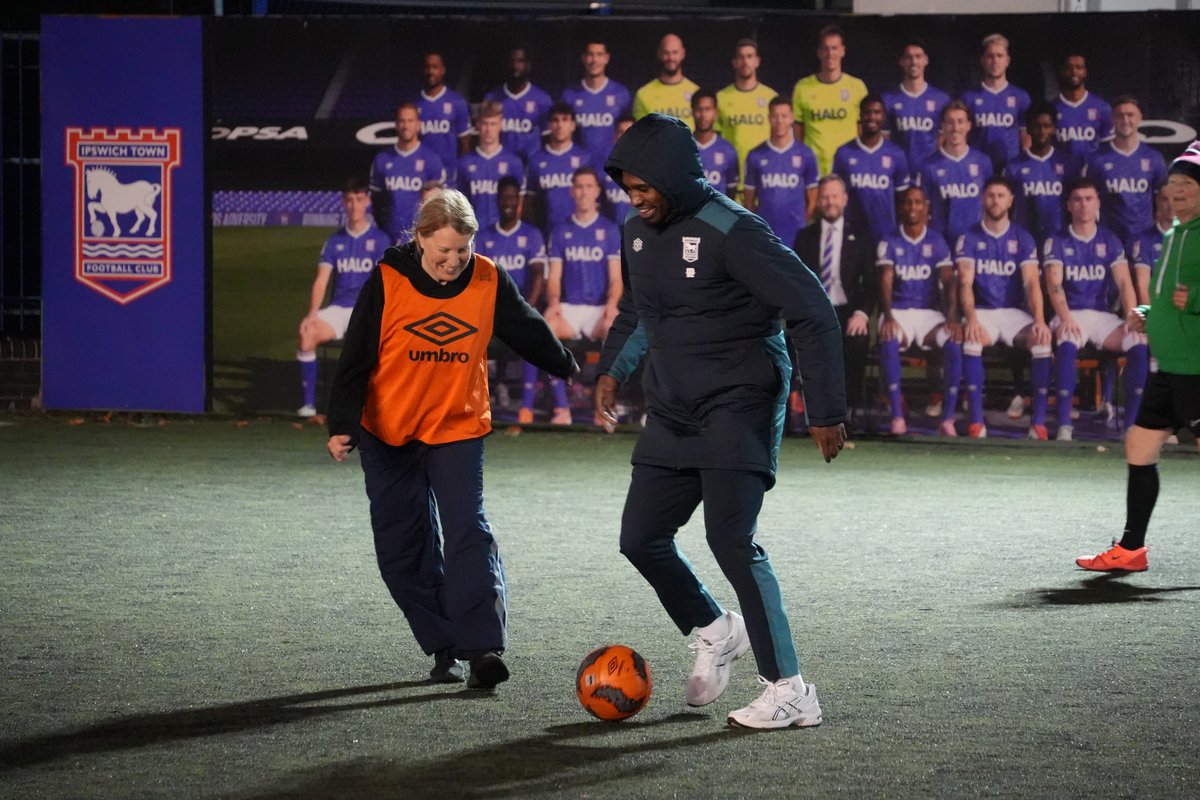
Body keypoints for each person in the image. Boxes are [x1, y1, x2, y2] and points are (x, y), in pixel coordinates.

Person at [595, 113, 846, 730]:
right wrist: (610, 370)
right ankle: (715, 627)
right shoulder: (635, 229)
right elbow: (638, 311)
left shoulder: (734, 229)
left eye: (645, 186)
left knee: (730, 539)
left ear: (676, 177)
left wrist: (826, 407)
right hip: (673, 406)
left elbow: (811, 307)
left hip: (741, 400)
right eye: (628, 187)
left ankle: (791, 690)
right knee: (640, 539)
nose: (636, 197)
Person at [325, 188, 578, 688]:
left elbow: (525, 327)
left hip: (456, 426)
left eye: (462, 250)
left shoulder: (486, 278)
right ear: (420, 239)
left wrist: (565, 365)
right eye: (443, 250)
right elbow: (356, 355)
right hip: (389, 432)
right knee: (403, 547)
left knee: (468, 530)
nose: (453, 261)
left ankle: (483, 647)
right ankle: (444, 645)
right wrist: (341, 425)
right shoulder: (388, 280)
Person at [1075, 142, 1200, 572]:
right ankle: (1131, 550)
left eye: (1187, 185)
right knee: (1139, 445)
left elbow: (1192, 298)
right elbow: (1169, 299)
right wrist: (1150, 313)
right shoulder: (1172, 235)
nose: (1176, 193)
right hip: (1171, 369)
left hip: (1198, 369)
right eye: (1173, 185)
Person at [1042, 177, 1148, 440]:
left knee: (1138, 341)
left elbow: (1125, 283)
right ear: (1069, 205)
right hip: (1070, 313)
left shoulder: (1110, 240)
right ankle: (1065, 424)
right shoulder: (1057, 240)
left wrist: (1133, 316)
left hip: (1102, 316)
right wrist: (1065, 318)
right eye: (1077, 200)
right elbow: (1054, 284)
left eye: (1089, 199)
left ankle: (1132, 427)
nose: (1083, 205)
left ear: (1098, 202)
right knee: (1066, 339)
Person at [956, 176, 1050, 439]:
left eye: (1001, 195)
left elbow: (1032, 283)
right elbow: (965, 282)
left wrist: (1040, 320)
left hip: (1013, 314)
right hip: (983, 312)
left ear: (1010, 201)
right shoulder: (969, 237)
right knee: (971, 340)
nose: (995, 200)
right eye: (991, 195)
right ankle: (976, 423)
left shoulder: (1023, 238)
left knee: (1042, 340)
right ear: (982, 199)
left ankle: (1039, 424)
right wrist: (971, 318)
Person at [296, 177, 393, 419]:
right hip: (339, 310)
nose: (354, 205)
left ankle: (378, 406)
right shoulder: (335, 241)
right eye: (349, 200)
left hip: (367, 311)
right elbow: (321, 280)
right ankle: (308, 407)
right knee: (307, 333)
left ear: (367, 202)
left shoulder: (381, 240)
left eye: (359, 200)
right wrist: (311, 314)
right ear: (343, 203)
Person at [876, 185, 962, 436]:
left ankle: (948, 419)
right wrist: (888, 316)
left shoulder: (937, 241)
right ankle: (897, 417)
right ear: (901, 208)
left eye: (918, 202)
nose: (912, 207)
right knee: (889, 336)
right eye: (908, 202)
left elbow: (949, 281)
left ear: (926, 208)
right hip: (899, 312)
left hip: (928, 314)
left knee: (953, 339)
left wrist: (953, 318)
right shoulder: (889, 240)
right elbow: (885, 280)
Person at [540, 167, 622, 424]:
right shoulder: (561, 230)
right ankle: (562, 409)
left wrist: (611, 304)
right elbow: (553, 277)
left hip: (598, 309)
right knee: (545, 326)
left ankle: (603, 408)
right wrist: (553, 303)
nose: (584, 192)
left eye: (589, 186)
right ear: (571, 191)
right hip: (570, 308)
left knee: (614, 326)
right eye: (579, 186)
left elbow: (616, 278)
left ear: (597, 191)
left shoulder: (608, 230)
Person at [793, 175, 874, 418]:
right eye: (825, 197)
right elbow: (796, 281)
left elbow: (870, 283)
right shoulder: (804, 237)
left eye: (834, 196)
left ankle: (846, 411)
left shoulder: (861, 237)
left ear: (844, 199)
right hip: (815, 312)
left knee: (857, 340)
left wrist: (861, 314)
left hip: (847, 312)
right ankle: (806, 411)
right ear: (818, 201)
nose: (830, 202)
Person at [476, 176, 548, 415]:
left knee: (533, 333)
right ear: (497, 200)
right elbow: (478, 279)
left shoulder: (532, 234)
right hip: (492, 310)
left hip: (521, 308)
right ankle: (473, 402)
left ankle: (526, 407)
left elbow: (539, 275)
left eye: (512, 197)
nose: (508, 202)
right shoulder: (485, 237)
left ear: (519, 201)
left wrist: (527, 307)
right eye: (504, 197)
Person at [1082, 96, 1168, 254]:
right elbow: (1086, 200)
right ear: (1113, 119)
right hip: (1109, 240)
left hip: (1144, 240)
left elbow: (1162, 200)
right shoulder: (1097, 159)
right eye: (1120, 115)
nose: (1125, 120)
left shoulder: (1153, 158)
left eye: (1130, 115)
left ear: (1140, 118)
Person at [791, 24, 869, 176]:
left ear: (842, 51)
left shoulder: (857, 87)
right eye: (825, 48)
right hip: (814, 169)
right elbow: (798, 133)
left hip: (848, 168)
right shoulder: (803, 87)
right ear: (819, 52)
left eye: (834, 48)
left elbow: (862, 131)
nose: (830, 53)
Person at [832, 94, 911, 244]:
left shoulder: (896, 154)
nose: (871, 117)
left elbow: (902, 200)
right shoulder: (844, 153)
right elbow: (837, 195)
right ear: (860, 116)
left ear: (884, 117)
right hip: (852, 234)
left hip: (885, 234)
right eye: (867, 112)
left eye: (877, 112)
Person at [744, 95, 820, 249]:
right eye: (775, 116)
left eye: (784, 116)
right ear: (769, 118)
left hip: (797, 234)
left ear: (792, 118)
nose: (779, 121)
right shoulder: (755, 155)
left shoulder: (806, 154)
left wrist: (803, 225)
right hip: (766, 234)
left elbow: (812, 199)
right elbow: (749, 201)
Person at [915, 100, 993, 243]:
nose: (955, 127)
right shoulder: (929, 165)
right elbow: (924, 210)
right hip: (942, 243)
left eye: (960, 121)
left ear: (969, 125)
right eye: (950, 122)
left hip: (976, 243)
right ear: (942, 126)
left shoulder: (983, 162)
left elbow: (990, 205)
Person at [368, 103, 446, 244]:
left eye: (410, 121)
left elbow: (441, 203)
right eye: (402, 121)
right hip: (390, 237)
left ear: (418, 125)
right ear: (397, 124)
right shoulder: (382, 159)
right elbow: (376, 201)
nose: (406, 126)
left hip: (422, 238)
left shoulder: (432, 160)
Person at [1005, 103, 1080, 243]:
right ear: (1028, 129)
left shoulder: (1069, 164)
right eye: (1036, 126)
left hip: (1061, 241)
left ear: (1054, 129)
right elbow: (1008, 209)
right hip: (1025, 240)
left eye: (1046, 126)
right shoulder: (1014, 166)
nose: (1041, 131)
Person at [961, 33, 1031, 175]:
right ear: (983, 60)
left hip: (1010, 168)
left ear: (1007, 60)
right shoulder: (968, 97)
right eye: (990, 56)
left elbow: (1026, 137)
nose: (995, 61)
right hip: (977, 168)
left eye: (1000, 56)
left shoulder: (1020, 96)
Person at [715, 39, 777, 191]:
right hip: (731, 180)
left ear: (757, 61)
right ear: (734, 62)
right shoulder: (721, 98)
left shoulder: (771, 97)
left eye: (749, 56)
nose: (745, 62)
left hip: (765, 180)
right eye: (741, 57)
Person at [561, 39, 631, 170]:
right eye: (590, 54)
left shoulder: (621, 93)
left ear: (606, 58)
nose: (594, 60)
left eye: (599, 55)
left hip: (612, 165)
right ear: (583, 58)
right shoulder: (570, 95)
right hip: (579, 168)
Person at [882, 39, 950, 171]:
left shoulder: (941, 99)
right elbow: (885, 142)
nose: (913, 62)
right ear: (901, 62)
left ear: (926, 60)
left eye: (918, 57)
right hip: (900, 171)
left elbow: (943, 142)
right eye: (909, 57)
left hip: (931, 172)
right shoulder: (888, 99)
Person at [457, 101, 525, 231]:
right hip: (474, 232)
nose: (488, 130)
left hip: (502, 234)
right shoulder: (465, 163)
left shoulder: (513, 162)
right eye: (485, 124)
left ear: (500, 125)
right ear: (477, 125)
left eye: (493, 124)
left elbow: (520, 204)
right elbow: (460, 204)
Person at [524, 102, 592, 231]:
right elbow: (530, 204)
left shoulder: (584, 158)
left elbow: (594, 201)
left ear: (573, 125)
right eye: (555, 120)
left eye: (565, 120)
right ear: (549, 125)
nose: (560, 125)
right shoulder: (536, 160)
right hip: (547, 230)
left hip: (578, 230)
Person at [484, 46, 553, 164]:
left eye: (520, 61)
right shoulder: (492, 98)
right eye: (512, 61)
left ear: (527, 65)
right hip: (500, 167)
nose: (515, 66)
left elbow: (548, 140)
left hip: (531, 167)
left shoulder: (542, 99)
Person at [415, 51, 472, 184]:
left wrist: (459, 172)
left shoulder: (457, 102)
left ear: (443, 70)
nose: (430, 71)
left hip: (449, 177)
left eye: (435, 67)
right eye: (427, 67)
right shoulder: (415, 104)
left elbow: (465, 144)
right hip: (421, 176)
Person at [1054, 51, 1113, 161]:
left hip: (1091, 173)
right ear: (1062, 72)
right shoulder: (1051, 109)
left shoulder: (1102, 107)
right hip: (1061, 173)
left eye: (1079, 67)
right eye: (1069, 68)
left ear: (1085, 72)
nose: (1074, 72)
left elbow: (1108, 149)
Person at [632, 34, 699, 130]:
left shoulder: (695, 92)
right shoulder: (643, 94)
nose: (671, 58)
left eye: (675, 52)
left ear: (682, 54)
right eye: (666, 53)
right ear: (659, 54)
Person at [692, 89, 739, 198]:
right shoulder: (681, 148)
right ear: (692, 112)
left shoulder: (728, 151)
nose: (703, 114)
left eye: (708, 109)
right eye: (699, 109)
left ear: (715, 113)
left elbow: (731, 193)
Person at [1131, 186, 1173, 306]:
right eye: (1165, 199)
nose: (1171, 205)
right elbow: (1142, 285)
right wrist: (1153, 317)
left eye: (1176, 199)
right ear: (1157, 202)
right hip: (1159, 309)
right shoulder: (1144, 240)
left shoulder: (1193, 237)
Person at [601, 114, 635, 224]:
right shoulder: (602, 166)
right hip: (610, 233)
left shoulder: (651, 167)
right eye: (621, 132)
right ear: (614, 136)